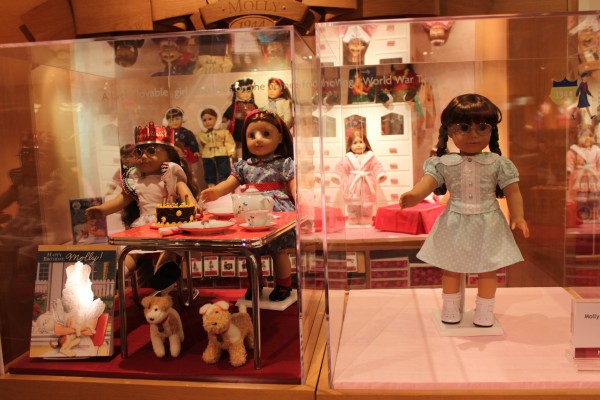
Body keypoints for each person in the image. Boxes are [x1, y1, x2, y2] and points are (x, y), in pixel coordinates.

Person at [399, 93, 530, 327]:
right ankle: (450, 308)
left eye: (482, 127)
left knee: (488, 268)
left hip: (489, 222)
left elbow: (513, 192)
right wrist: (415, 195)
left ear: (491, 130)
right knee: (451, 267)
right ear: (450, 131)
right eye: (464, 128)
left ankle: (485, 311)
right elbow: (428, 182)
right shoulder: (443, 163)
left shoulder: (498, 163)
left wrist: (519, 216)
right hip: (455, 222)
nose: (473, 135)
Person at [86, 122, 200, 291]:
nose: (144, 156)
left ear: (168, 155)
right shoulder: (135, 180)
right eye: (139, 152)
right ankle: (119, 272)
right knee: (132, 250)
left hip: (168, 221)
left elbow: (184, 192)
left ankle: (164, 270)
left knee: (170, 247)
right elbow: (121, 200)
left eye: (151, 151)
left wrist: (193, 206)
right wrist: (102, 210)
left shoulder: (171, 175)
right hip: (143, 225)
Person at [200, 110, 295, 301]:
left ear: (279, 138)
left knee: (279, 251)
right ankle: (255, 284)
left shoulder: (284, 163)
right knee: (251, 252)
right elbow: (230, 183)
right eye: (252, 135)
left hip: (276, 211)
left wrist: (300, 198)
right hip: (250, 211)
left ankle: (284, 285)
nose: (258, 139)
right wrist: (216, 191)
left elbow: (294, 185)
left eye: (265, 134)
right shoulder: (244, 165)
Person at [332, 129, 386, 225]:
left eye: (361, 142)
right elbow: (340, 167)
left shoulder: (371, 156)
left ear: (366, 143)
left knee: (367, 204)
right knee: (352, 204)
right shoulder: (347, 158)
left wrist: (380, 175)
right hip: (352, 185)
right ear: (350, 145)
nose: (358, 145)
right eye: (355, 143)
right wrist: (336, 176)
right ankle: (353, 217)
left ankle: (366, 216)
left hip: (366, 184)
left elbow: (377, 166)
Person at [196, 108, 236, 187]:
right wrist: (200, 152)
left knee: (224, 170)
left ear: (216, 119)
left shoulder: (223, 132)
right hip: (207, 155)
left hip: (222, 153)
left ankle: (224, 185)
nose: (207, 122)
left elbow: (229, 142)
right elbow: (199, 144)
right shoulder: (201, 134)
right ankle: (211, 185)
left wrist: (231, 151)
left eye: (210, 119)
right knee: (209, 171)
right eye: (204, 120)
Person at [222, 78, 258, 159]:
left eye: (248, 91)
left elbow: (257, 112)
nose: (246, 94)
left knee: (250, 140)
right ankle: (239, 158)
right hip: (238, 126)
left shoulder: (253, 105)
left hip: (250, 126)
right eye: (242, 91)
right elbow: (229, 112)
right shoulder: (235, 105)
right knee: (238, 143)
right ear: (236, 94)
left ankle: (250, 156)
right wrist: (225, 117)